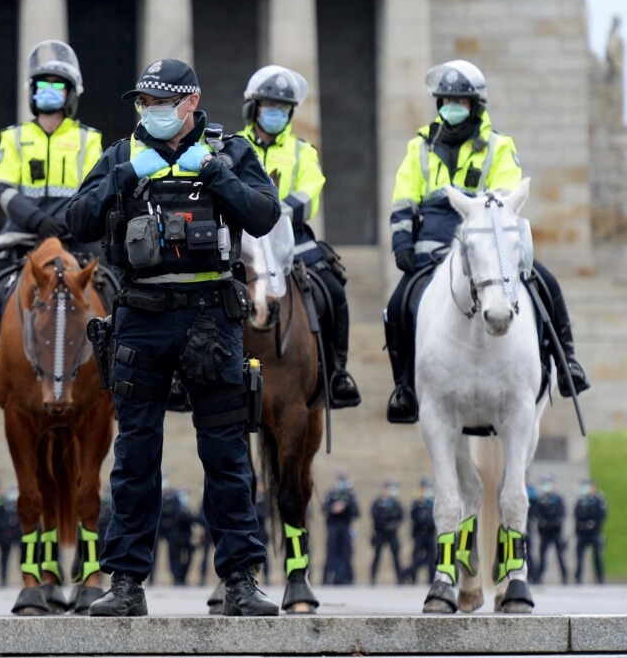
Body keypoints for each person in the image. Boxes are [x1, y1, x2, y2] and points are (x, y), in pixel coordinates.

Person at [66, 58, 281, 617]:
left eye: (162, 102)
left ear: (191, 102)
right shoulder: (121, 156)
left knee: (227, 455)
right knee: (135, 457)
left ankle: (240, 580)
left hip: (211, 318)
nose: (152, 112)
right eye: (145, 103)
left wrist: (216, 175)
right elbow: (77, 221)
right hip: (140, 316)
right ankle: (126, 584)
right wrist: (125, 177)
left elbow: (263, 215)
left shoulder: (229, 151)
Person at [384, 60, 588, 423]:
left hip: (486, 234)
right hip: (432, 237)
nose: (452, 107)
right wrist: (402, 240)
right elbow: (404, 196)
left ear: (475, 106)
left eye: (460, 102)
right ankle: (404, 386)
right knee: (398, 304)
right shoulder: (419, 146)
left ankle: (567, 361)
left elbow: (507, 195)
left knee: (545, 282)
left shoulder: (498, 146)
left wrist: (475, 206)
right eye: (446, 100)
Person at [0, 39, 103, 423]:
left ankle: (118, 384)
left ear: (70, 94)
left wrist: (67, 222)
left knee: (117, 297)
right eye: (43, 86)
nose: (49, 93)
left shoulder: (90, 140)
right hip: (21, 239)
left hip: (76, 240)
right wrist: (38, 221)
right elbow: (2, 187)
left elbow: (93, 190)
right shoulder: (15, 137)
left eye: (58, 86)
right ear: (32, 94)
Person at [237, 66, 359, 408]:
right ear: (254, 108)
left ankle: (337, 372)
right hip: (242, 242)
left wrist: (273, 211)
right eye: (269, 105)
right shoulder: (232, 147)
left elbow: (311, 192)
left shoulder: (303, 151)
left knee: (333, 290)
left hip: (291, 236)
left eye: (283, 107)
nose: (276, 112)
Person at [322, 472, 358, 586]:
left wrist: (346, 506)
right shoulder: (331, 494)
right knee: (331, 554)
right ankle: (327, 579)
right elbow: (324, 508)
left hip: (345, 527)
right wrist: (333, 508)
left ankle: (347, 578)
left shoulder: (350, 496)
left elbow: (356, 513)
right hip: (333, 527)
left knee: (346, 554)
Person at [532, 475, 568, 585]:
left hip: (556, 532)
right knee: (542, 555)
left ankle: (564, 576)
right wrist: (543, 522)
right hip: (544, 532)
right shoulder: (540, 499)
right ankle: (538, 577)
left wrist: (554, 522)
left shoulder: (558, 499)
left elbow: (562, 514)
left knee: (560, 555)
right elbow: (536, 514)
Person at [369, 480, 405, 585]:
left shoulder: (395, 503)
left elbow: (401, 516)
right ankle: (372, 578)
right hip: (380, 533)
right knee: (377, 556)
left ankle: (400, 579)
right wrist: (384, 525)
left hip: (392, 533)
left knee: (396, 557)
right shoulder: (377, 503)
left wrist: (393, 525)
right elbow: (374, 516)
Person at [573, 478, 607, 585]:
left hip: (594, 532)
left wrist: (594, 523)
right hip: (583, 533)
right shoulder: (581, 500)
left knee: (597, 556)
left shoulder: (599, 499)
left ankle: (600, 577)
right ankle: (578, 577)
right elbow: (576, 514)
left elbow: (602, 515)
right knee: (579, 556)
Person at [160, 487, 196, 586]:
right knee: (174, 558)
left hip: (185, 537)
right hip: (174, 536)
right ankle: (177, 578)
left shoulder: (186, 509)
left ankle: (182, 577)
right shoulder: (173, 508)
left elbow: (191, 521)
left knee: (185, 557)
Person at [406, 477, 436, 584]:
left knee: (432, 559)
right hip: (419, 534)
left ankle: (431, 580)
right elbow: (414, 516)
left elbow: (436, 517)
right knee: (416, 558)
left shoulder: (433, 503)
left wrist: (427, 520)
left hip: (430, 533)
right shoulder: (416, 503)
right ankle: (412, 579)